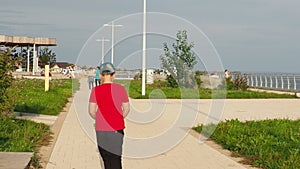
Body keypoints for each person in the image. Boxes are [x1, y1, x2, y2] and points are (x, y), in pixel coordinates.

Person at [88, 62, 130, 169]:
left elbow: (91, 111)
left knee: (106, 158)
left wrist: (100, 119)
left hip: (101, 129)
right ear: (114, 75)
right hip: (117, 127)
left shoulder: (96, 90)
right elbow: (126, 109)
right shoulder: (121, 89)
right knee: (116, 158)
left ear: (101, 75)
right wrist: (118, 117)